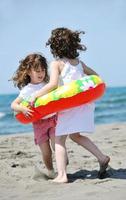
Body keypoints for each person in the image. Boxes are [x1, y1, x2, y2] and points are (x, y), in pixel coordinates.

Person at [29, 28, 110, 183]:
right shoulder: (80, 63)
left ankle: (62, 175)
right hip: (83, 105)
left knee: (59, 140)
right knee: (76, 136)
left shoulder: (57, 64)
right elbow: (96, 76)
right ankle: (102, 157)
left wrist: (36, 95)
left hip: (68, 107)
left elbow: (52, 85)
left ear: (54, 46)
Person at [11, 53, 56, 179]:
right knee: (46, 152)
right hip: (38, 124)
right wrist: (22, 109)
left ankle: (63, 163)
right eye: (37, 70)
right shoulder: (27, 90)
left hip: (53, 119)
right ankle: (51, 171)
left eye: (43, 70)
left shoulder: (48, 84)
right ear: (29, 72)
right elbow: (13, 104)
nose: (41, 73)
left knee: (56, 145)